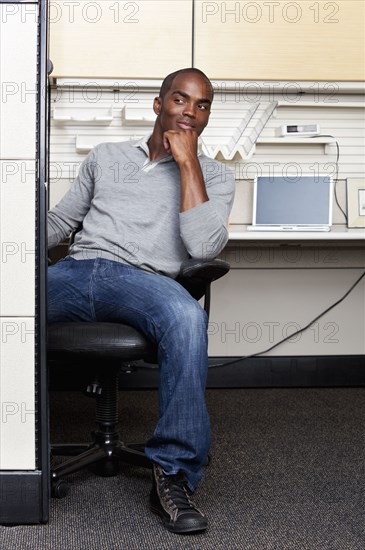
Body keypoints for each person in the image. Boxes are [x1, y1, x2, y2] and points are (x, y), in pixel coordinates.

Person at [48, 67, 235, 534]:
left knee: (187, 318)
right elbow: (60, 222)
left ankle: (172, 474)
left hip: (142, 282)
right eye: (180, 99)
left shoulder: (215, 174)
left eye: (202, 104)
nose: (191, 111)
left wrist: (189, 162)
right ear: (158, 104)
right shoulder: (106, 156)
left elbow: (204, 247)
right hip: (75, 270)